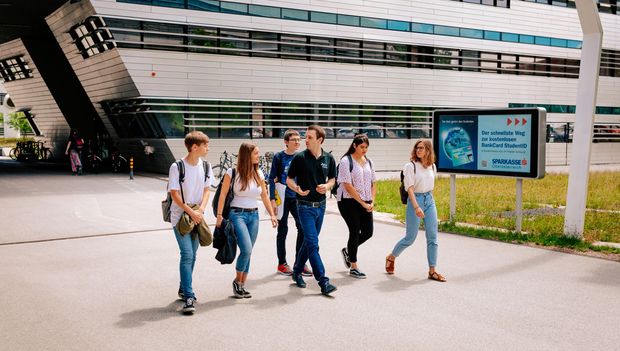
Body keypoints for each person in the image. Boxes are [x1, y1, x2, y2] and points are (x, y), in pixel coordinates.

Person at [216, 142, 278, 299]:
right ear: (247, 155)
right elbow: (222, 195)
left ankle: (242, 285)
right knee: (247, 249)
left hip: (254, 216)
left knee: (248, 251)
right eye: (256, 153)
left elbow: (264, 195)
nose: (259, 156)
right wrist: (219, 215)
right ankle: (237, 281)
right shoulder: (232, 172)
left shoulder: (259, 173)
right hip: (237, 215)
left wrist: (271, 215)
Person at [286, 125, 338, 296]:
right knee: (313, 244)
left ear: (320, 140)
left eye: (309, 137)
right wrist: (297, 189)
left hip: (321, 207)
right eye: (305, 137)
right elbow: (288, 180)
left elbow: (332, 179)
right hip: (304, 207)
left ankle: (296, 271)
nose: (305, 140)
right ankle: (323, 281)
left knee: (309, 243)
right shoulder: (300, 158)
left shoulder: (329, 158)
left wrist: (328, 186)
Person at [385, 139, 446, 282]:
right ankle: (391, 257)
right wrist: (416, 206)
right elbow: (409, 188)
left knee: (433, 237)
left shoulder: (432, 167)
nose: (419, 150)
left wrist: (427, 201)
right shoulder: (410, 166)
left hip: (429, 199)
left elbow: (430, 185)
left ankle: (432, 271)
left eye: (422, 148)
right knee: (410, 238)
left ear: (428, 150)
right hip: (415, 200)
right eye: (417, 148)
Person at [168, 131, 213, 314]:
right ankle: (189, 296)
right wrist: (191, 212)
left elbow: (207, 190)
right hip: (181, 217)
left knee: (193, 255)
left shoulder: (206, 166)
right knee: (187, 254)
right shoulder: (177, 167)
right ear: (195, 147)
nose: (207, 148)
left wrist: (200, 210)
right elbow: (174, 194)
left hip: (197, 215)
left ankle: (183, 286)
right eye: (205, 145)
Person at [268, 129, 312, 277]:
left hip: (297, 198)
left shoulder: (302, 157)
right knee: (283, 230)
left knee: (302, 228)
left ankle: (299, 263)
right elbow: (272, 178)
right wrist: (272, 201)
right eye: (294, 140)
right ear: (286, 142)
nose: (297, 142)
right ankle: (282, 263)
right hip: (283, 198)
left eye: (299, 140)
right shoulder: (279, 157)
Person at [336, 134, 376, 279]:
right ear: (354, 146)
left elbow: (373, 183)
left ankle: (348, 251)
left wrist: (372, 202)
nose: (364, 150)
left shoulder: (369, 162)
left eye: (366, 147)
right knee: (354, 231)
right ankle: (353, 266)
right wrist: (362, 202)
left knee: (368, 232)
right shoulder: (346, 161)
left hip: (366, 200)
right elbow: (347, 185)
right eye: (362, 147)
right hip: (348, 201)